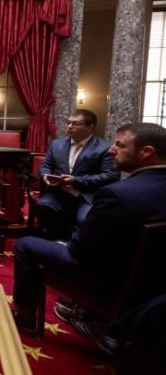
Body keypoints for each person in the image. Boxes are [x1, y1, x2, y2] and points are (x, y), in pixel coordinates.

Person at [11, 122, 166, 334]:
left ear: (147, 152)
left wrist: (63, 243)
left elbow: (81, 252)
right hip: (152, 282)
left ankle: (25, 315)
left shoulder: (118, 194)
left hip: (108, 280)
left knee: (25, 244)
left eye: (120, 145)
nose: (112, 150)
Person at [36, 109, 119, 241]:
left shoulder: (104, 147)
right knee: (43, 206)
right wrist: (46, 176)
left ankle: (79, 245)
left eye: (76, 124)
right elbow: (45, 166)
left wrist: (76, 180)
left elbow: (110, 176)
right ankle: (64, 240)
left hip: (87, 196)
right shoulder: (57, 144)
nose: (69, 126)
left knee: (85, 219)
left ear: (90, 127)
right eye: (68, 122)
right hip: (60, 193)